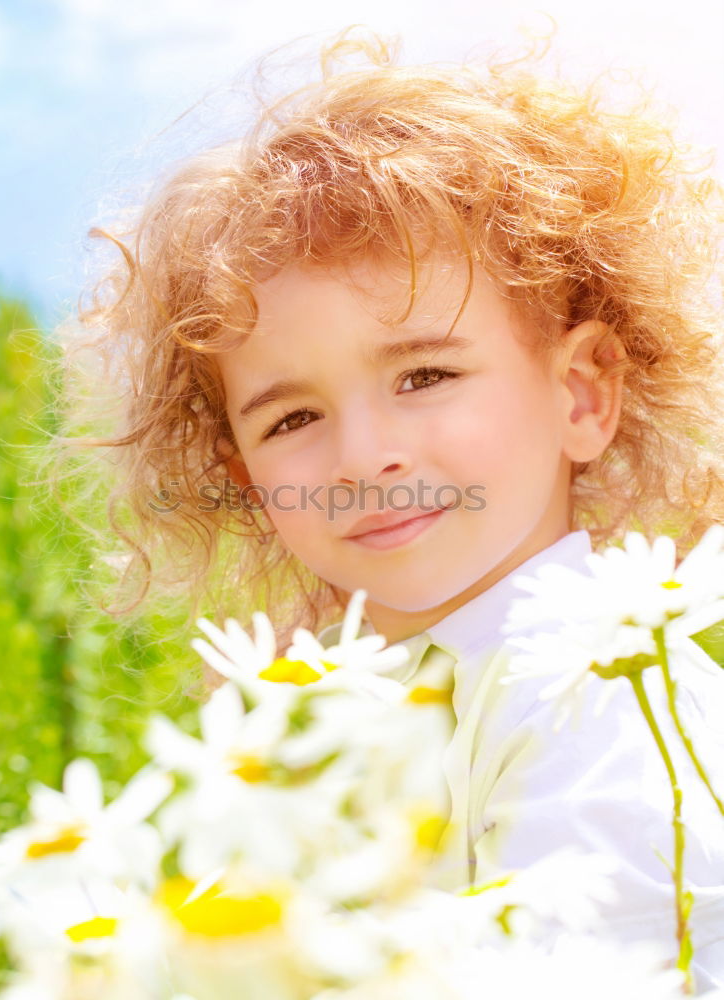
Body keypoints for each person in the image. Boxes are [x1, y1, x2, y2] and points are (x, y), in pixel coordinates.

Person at [61, 29, 724, 989]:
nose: (366, 457)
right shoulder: (320, 722)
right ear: (244, 474)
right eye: (292, 418)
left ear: (580, 392)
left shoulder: (605, 700)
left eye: (424, 373)